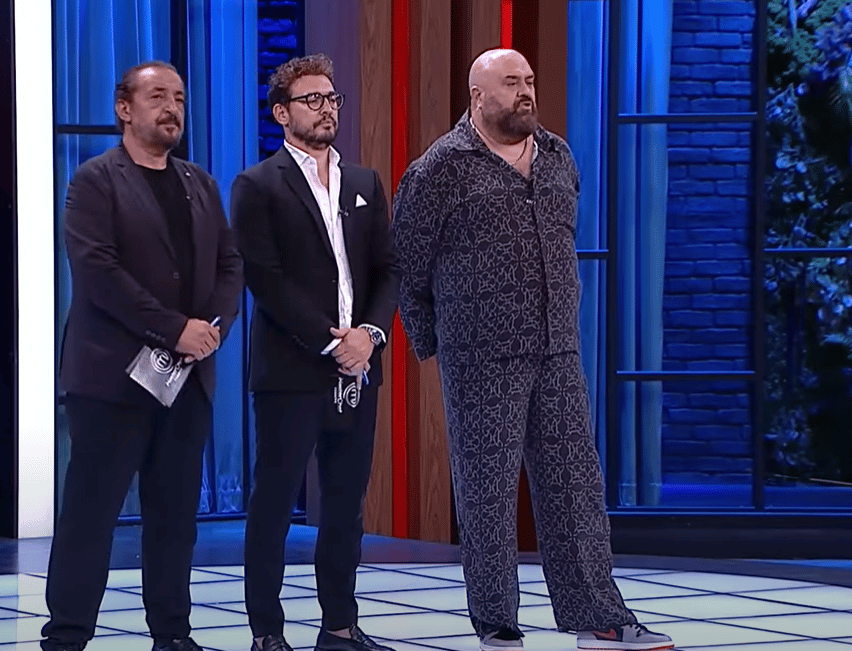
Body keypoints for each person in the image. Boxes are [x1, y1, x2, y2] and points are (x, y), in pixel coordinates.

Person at [390, 49, 676, 651]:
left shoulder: (557, 156)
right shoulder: (439, 169)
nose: (526, 91)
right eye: (511, 83)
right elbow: (406, 264)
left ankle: (599, 616)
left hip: (558, 350)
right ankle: (497, 624)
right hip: (481, 356)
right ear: (477, 96)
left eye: (529, 81)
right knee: (487, 493)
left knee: (575, 486)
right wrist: (436, 342)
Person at [41, 60, 243, 651]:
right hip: (111, 381)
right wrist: (173, 329)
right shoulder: (94, 181)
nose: (172, 107)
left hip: (187, 381)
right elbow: (98, 272)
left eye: (178, 96)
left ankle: (173, 636)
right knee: (91, 516)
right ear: (124, 108)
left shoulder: (200, 184)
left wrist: (210, 329)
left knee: (175, 519)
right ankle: (67, 637)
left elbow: (230, 265)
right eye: (157, 96)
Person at [231, 54, 399, 651]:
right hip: (292, 371)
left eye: (332, 98)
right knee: (275, 504)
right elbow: (266, 279)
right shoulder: (257, 185)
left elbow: (389, 270)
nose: (327, 109)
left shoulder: (365, 183)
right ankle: (267, 633)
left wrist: (369, 336)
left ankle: (340, 627)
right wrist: (333, 340)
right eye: (312, 100)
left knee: (346, 506)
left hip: (359, 369)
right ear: (282, 113)